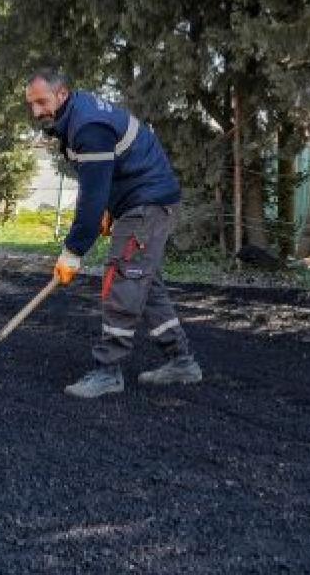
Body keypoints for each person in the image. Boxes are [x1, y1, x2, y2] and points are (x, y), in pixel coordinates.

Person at [25, 69, 202, 397]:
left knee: (121, 279)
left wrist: (73, 251)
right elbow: (105, 176)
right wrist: (109, 207)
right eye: (31, 104)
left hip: (147, 204)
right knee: (144, 284)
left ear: (62, 94)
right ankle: (182, 362)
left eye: (42, 102)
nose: (36, 111)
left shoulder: (88, 126)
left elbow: (90, 198)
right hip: (140, 200)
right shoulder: (76, 117)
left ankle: (108, 372)